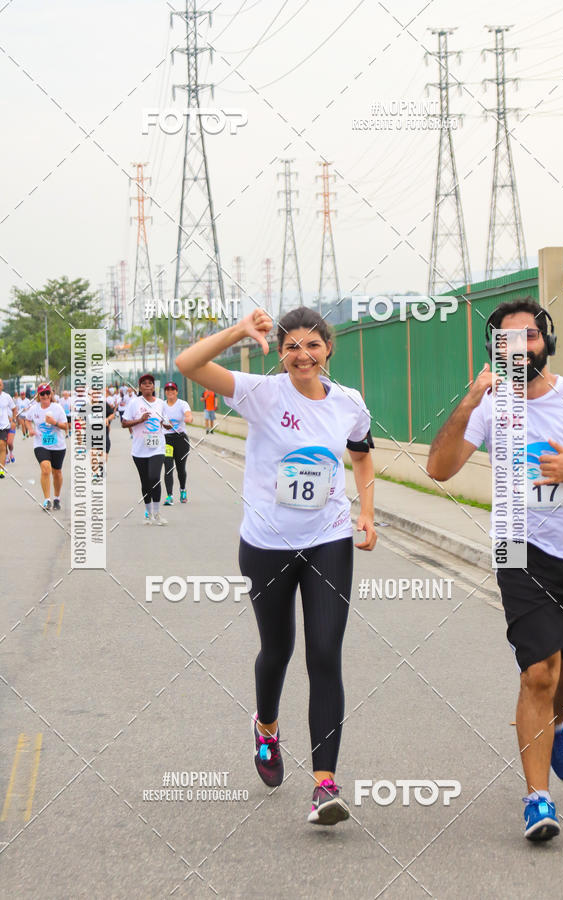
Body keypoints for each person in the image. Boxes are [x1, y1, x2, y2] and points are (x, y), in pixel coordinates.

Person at [176, 306, 377, 825]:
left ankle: (325, 785)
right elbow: (188, 364)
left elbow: (360, 454)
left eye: (312, 345)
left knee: (325, 653)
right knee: (279, 648)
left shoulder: (350, 403)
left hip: (329, 538)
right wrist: (239, 332)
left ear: (328, 349)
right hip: (266, 544)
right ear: (281, 353)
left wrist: (368, 513)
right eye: (291, 346)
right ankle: (266, 726)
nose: (302, 355)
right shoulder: (260, 394)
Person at [426, 296, 563, 843]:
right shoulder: (488, 405)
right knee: (539, 673)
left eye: (529, 337)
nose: (520, 348)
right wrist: (470, 398)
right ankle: (537, 799)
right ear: (493, 351)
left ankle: (558, 722)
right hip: (517, 550)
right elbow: (438, 470)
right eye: (507, 341)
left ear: (546, 341)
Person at [122, 373, 172, 525]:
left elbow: (166, 421)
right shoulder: (134, 403)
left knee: (154, 478)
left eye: (150, 383)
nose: (148, 385)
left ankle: (157, 514)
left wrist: (167, 425)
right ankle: (148, 513)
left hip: (157, 448)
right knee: (145, 482)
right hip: (139, 450)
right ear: (140, 387)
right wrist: (140, 420)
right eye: (144, 383)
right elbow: (124, 423)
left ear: (154, 387)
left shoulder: (161, 403)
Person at [25, 383, 68, 510]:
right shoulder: (34, 409)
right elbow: (27, 419)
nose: (45, 396)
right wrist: (30, 429)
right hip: (41, 444)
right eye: (42, 394)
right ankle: (47, 500)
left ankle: (56, 498)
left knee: (57, 472)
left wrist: (54, 422)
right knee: (45, 469)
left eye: (47, 393)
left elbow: (66, 426)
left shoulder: (57, 408)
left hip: (58, 445)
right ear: (38, 396)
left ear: (51, 394)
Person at [163, 381, 193, 505]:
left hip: (181, 440)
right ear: (165, 392)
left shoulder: (182, 404)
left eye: (172, 390)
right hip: (167, 440)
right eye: (168, 390)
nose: (170, 392)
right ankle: (169, 496)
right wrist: (164, 424)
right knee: (168, 468)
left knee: (181, 468)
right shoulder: (161, 405)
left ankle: (182, 490)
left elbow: (188, 416)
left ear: (176, 392)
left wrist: (187, 418)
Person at [0, 379, 17, 477]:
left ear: (2, 386)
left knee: (2, 445)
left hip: (4, 426)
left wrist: (14, 419)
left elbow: (14, 409)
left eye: (0, 385)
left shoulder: (7, 397)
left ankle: (1, 470)